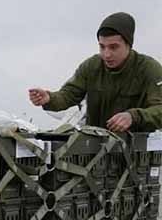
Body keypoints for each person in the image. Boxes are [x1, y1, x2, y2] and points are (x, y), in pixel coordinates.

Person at [29, 12, 162, 132]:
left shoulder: (149, 69)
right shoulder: (92, 66)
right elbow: (68, 95)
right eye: (102, 46)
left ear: (129, 45)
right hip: (95, 148)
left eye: (113, 47)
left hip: (137, 150)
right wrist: (49, 99)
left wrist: (133, 116)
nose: (107, 54)